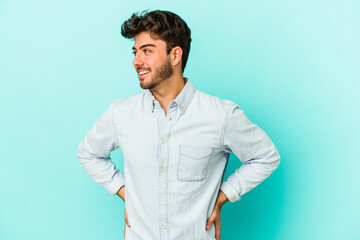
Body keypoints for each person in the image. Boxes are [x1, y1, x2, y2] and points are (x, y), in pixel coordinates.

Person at [77, 10, 280, 240]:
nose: (136, 61)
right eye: (135, 52)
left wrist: (223, 195)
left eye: (147, 51)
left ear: (175, 56)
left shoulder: (220, 115)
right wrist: (127, 195)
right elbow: (88, 153)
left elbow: (266, 157)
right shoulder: (121, 113)